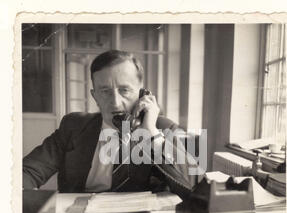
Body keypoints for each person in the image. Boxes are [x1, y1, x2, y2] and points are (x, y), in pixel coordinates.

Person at [23, 50, 200, 199]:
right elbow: (28, 172)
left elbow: (190, 188)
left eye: (124, 90)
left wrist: (151, 133)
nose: (115, 102)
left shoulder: (163, 129)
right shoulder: (73, 126)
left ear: (142, 94)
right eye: (105, 91)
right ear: (95, 96)